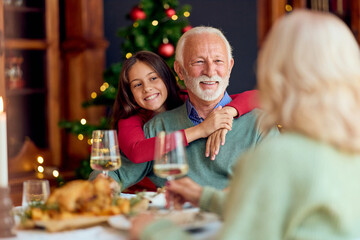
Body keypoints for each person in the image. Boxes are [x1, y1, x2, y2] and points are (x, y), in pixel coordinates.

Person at [130, 9, 360, 240]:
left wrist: (154, 231)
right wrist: (205, 198)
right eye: (199, 62)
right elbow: (273, 204)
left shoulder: (278, 155)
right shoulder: (349, 150)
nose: (210, 70)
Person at [109, 26, 278, 190]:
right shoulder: (157, 127)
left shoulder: (259, 124)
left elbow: (280, 187)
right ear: (180, 71)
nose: (210, 71)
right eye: (198, 62)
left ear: (229, 67)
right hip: (176, 218)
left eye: (218, 61)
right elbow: (112, 176)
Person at [89, 50, 259, 189]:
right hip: (154, 191)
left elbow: (258, 96)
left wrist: (229, 111)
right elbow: (136, 153)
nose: (147, 88)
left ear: (166, 78)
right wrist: (201, 130)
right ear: (130, 93)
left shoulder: (188, 98)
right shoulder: (132, 120)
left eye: (153, 78)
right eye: (137, 84)